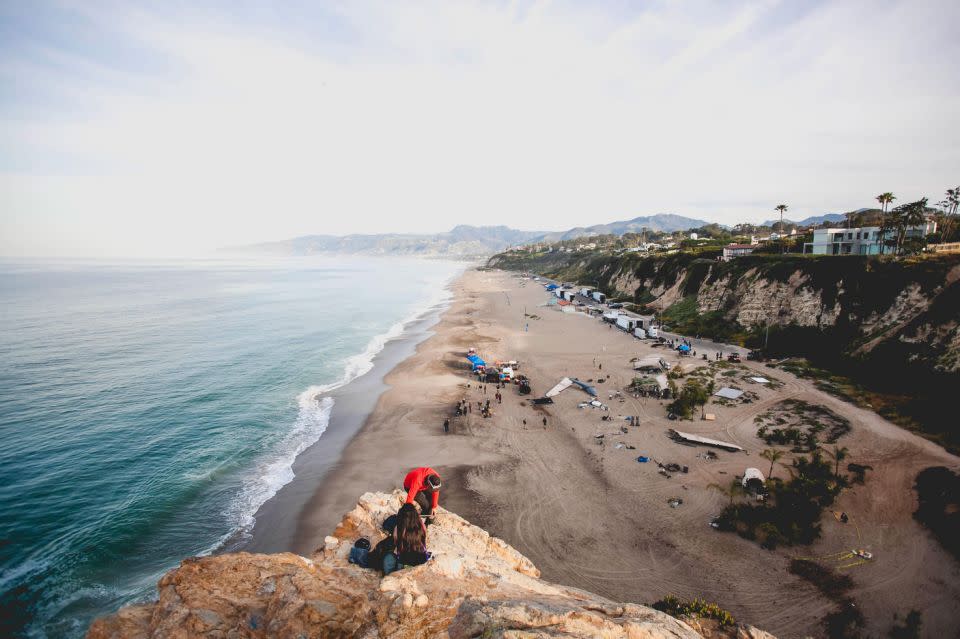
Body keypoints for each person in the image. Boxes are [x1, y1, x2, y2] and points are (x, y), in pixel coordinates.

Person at [382, 503, 429, 575]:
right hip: (421, 561)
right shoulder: (422, 527)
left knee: (388, 559)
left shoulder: (398, 529)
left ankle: (389, 576)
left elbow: (396, 545)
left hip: (403, 564)